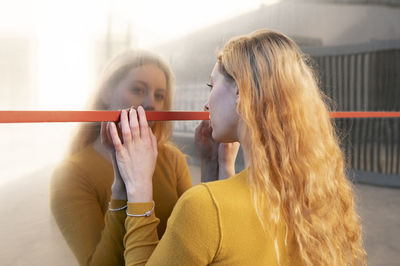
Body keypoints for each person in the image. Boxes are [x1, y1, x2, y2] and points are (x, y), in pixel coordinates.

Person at [109, 29, 367, 265]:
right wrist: (219, 167)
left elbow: (217, 220)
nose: (207, 102)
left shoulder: (202, 207)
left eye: (212, 86)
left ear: (240, 91)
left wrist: (138, 185)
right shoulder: (314, 198)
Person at [50, 50, 195, 266]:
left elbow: (195, 239)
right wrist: (121, 189)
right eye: (138, 90)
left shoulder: (173, 159)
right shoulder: (71, 175)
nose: (150, 103)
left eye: (159, 95)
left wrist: (216, 168)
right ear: (107, 92)